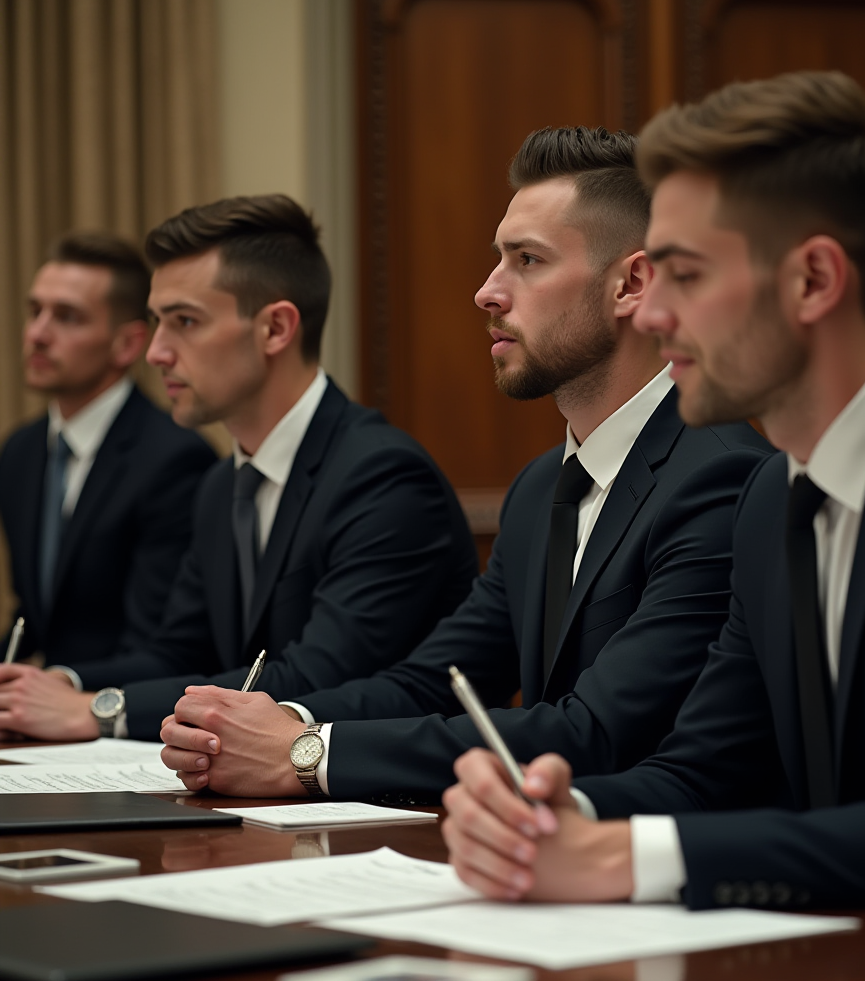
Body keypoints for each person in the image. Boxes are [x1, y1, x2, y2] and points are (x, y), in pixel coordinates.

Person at [439, 73, 865, 924]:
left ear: (814, 281)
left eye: (684, 274)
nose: (655, 312)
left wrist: (618, 855)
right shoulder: (770, 497)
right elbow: (704, 770)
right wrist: (555, 821)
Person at [158, 127, 771, 802]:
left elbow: (598, 732)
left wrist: (309, 756)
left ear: (632, 283)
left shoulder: (721, 476)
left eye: (527, 260)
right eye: (496, 260)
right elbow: (434, 681)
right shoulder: (541, 488)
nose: (487, 291)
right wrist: (281, 723)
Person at [0, 194, 478, 742]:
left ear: (275, 329)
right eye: (157, 322)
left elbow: (315, 675)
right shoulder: (219, 485)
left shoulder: (383, 477)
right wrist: (62, 684)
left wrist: (98, 711)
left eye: (184, 321)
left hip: (393, 807)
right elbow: (175, 654)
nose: (156, 353)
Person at [0, 233, 215, 678]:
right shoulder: (20, 452)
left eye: (67, 317)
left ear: (128, 344)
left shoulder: (175, 458)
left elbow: (163, 646)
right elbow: (36, 615)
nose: (38, 334)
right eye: (35, 311)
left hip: (128, 721)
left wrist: (60, 687)